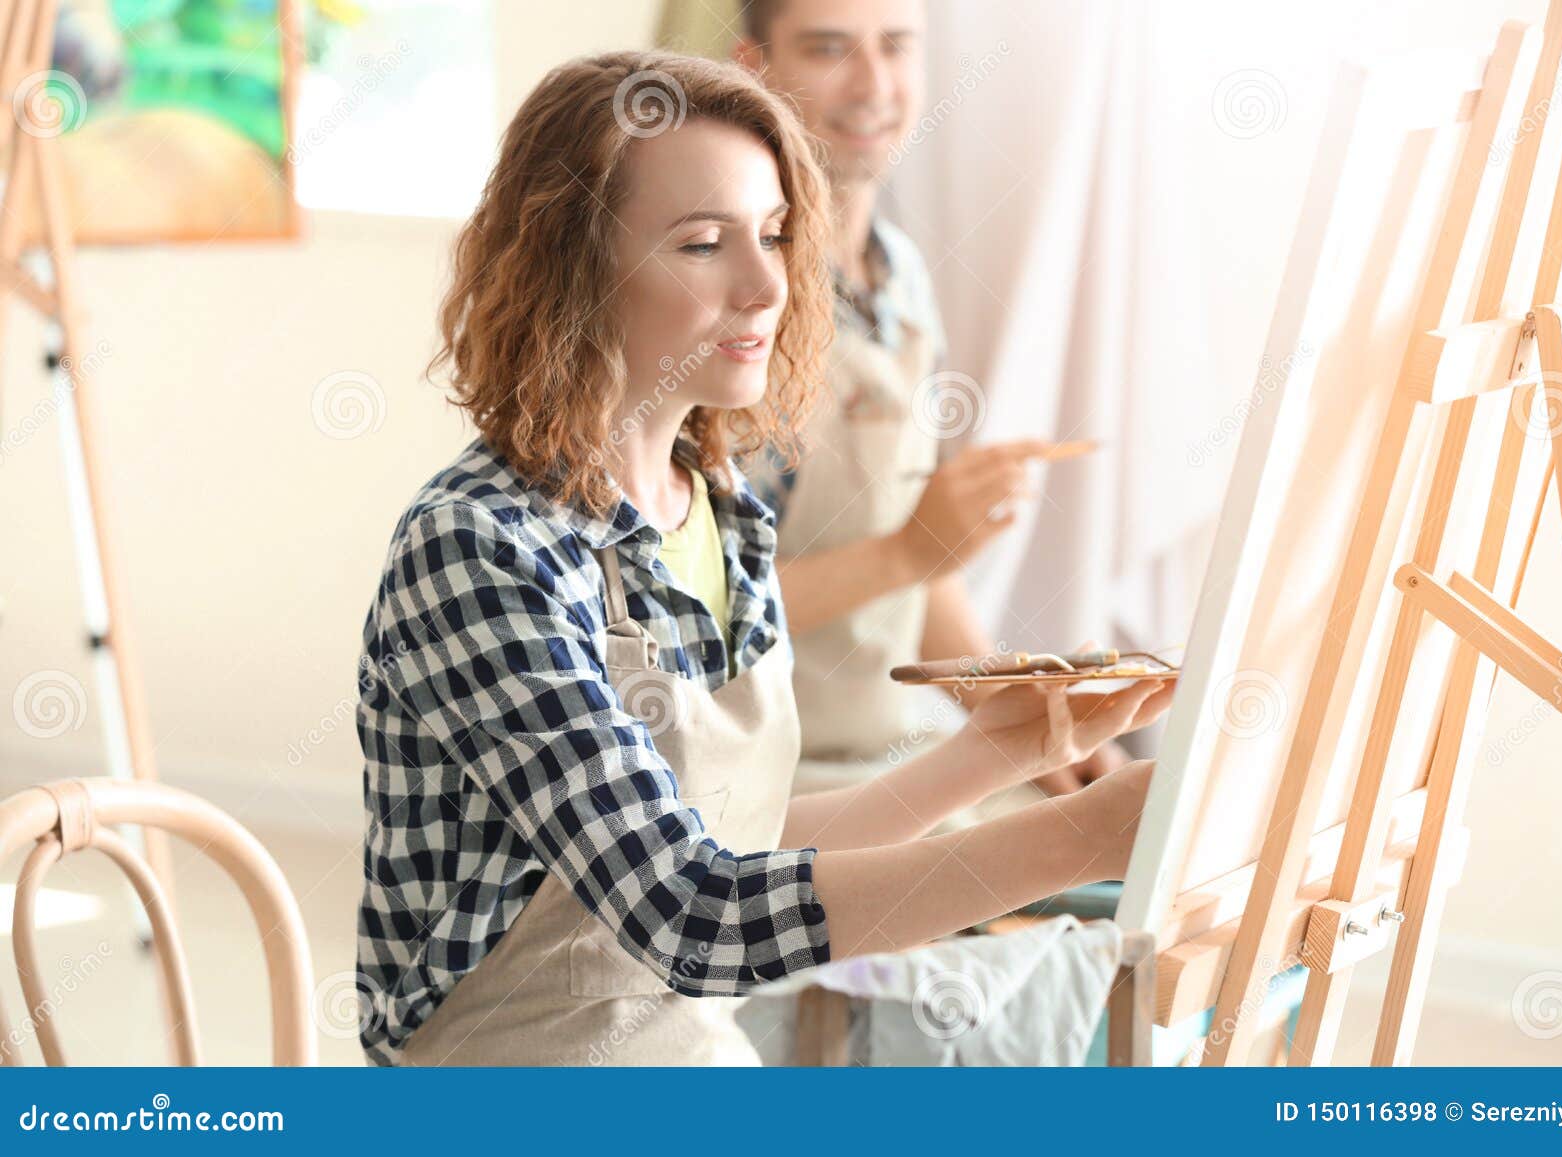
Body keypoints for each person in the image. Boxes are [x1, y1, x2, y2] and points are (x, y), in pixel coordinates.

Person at [353, 50, 1170, 1067]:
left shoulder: (722, 510)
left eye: (776, 235)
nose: (766, 284)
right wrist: (1084, 835)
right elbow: (692, 913)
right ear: (572, 263)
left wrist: (1005, 750)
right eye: (703, 244)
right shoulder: (477, 550)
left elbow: (747, 832)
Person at [733, 0, 1124, 800]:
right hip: (769, 787)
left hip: (895, 755)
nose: (874, 83)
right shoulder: (737, 297)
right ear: (755, 70)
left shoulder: (901, 274)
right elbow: (698, 615)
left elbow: (921, 559)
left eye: (897, 47)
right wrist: (910, 551)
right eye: (830, 48)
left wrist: (1017, 709)